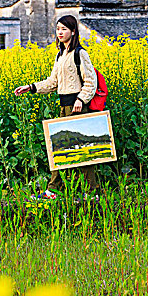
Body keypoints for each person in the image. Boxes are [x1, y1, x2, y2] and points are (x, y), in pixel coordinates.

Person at [14, 15, 98, 199]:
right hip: (64, 107)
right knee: (61, 150)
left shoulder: (80, 53)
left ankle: (89, 193)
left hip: (77, 108)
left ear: (73, 31)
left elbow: (91, 81)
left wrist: (81, 100)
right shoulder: (60, 54)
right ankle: (55, 190)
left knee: (83, 151)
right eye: (58, 29)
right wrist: (31, 87)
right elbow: (53, 82)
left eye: (64, 29)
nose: (60, 32)